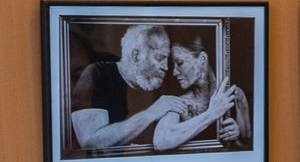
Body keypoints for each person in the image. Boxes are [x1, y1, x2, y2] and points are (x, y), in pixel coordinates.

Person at [69, 22, 183, 152]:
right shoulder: (98, 73)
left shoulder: (124, 80)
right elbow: (91, 143)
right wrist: (151, 113)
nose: (166, 67)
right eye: (159, 58)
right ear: (136, 55)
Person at [156, 33, 248, 150]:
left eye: (180, 63)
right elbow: (160, 142)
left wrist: (236, 136)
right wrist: (212, 112)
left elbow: (249, 144)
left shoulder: (235, 95)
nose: (174, 72)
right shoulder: (180, 103)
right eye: (173, 65)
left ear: (202, 59)